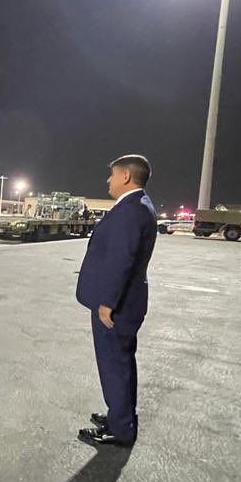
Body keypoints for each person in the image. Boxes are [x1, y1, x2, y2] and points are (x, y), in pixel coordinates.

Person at [75, 155, 157, 447]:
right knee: (121, 364)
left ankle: (120, 429)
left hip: (117, 307)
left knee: (114, 366)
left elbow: (121, 259)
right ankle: (120, 417)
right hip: (127, 302)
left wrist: (107, 302)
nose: (108, 180)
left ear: (125, 177)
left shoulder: (130, 211)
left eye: (112, 175)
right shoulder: (139, 205)